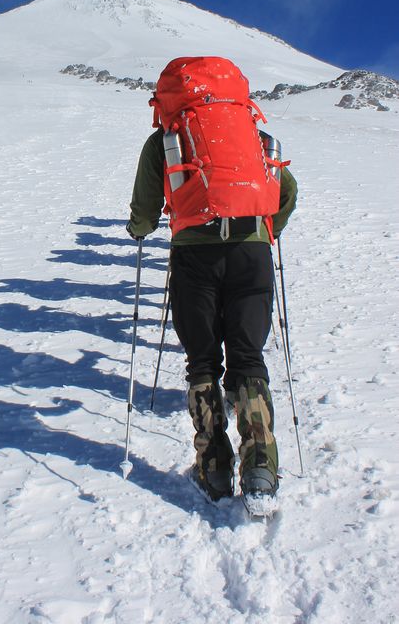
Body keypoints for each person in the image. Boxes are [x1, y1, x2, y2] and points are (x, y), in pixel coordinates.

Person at [126, 66, 298, 505]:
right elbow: (286, 188)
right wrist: (264, 231)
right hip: (252, 254)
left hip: (194, 256)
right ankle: (261, 468)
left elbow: (145, 208)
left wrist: (140, 228)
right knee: (247, 355)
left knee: (202, 361)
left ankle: (214, 469)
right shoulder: (254, 135)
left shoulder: (166, 139)